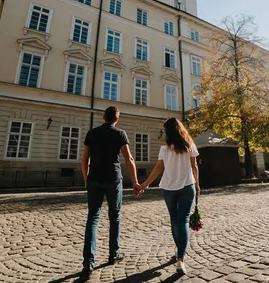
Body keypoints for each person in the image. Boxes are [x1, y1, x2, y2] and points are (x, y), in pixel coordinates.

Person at [80, 106, 139, 281]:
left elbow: (84, 159)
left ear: (104, 117)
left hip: (95, 179)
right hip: (113, 179)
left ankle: (88, 263)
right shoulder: (120, 133)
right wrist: (135, 182)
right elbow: (129, 159)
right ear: (117, 119)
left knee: (93, 219)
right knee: (115, 216)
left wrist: (86, 178)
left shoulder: (92, 133)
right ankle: (114, 254)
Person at [138, 118, 200, 275]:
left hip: (169, 188)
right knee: (183, 220)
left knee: (174, 220)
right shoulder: (189, 145)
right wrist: (197, 185)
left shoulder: (165, 149)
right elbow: (194, 166)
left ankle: (179, 252)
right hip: (187, 186)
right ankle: (180, 259)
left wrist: (144, 185)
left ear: (168, 132)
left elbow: (159, 167)